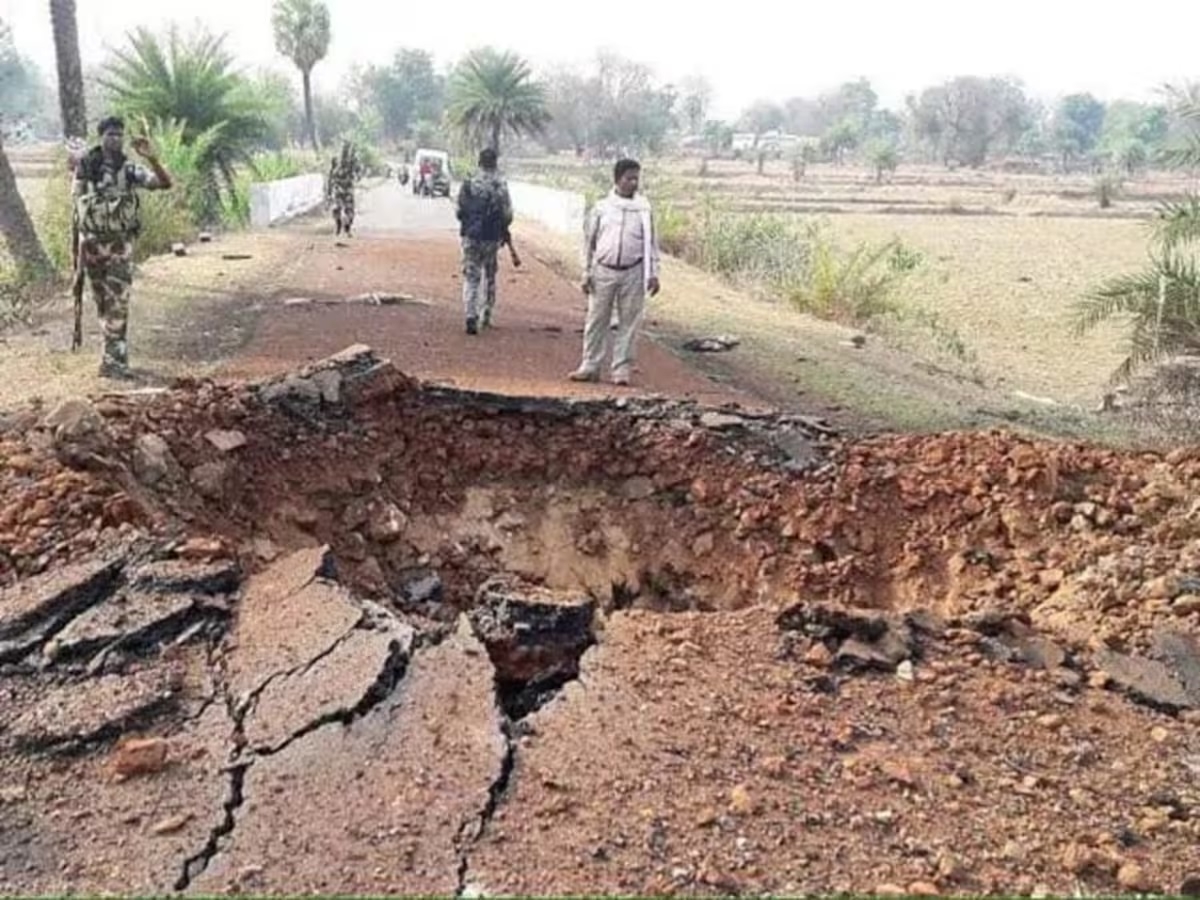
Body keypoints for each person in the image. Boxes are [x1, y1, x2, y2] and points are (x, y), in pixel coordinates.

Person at [73, 115, 173, 379]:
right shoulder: (86, 166)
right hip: (93, 245)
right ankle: (116, 356)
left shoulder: (129, 170)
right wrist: (78, 250)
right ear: (101, 137)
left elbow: (164, 183)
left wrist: (151, 158)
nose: (115, 139)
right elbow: (77, 208)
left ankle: (112, 363)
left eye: (119, 134)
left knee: (118, 302)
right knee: (104, 305)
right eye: (110, 134)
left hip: (119, 245)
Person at [569, 158, 661, 386]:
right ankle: (590, 365)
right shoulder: (602, 208)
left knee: (629, 322)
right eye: (629, 178)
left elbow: (652, 244)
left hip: (634, 271)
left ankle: (621, 369)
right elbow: (589, 242)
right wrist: (586, 271)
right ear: (617, 179)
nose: (634, 183)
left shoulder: (644, 209)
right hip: (603, 270)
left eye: (636, 178)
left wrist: (654, 273)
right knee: (596, 320)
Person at [455, 147, 513, 335]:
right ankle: (486, 314)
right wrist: (502, 230)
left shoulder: (469, 181)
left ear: (479, 161)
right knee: (489, 275)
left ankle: (470, 314)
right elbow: (508, 214)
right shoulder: (500, 184)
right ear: (495, 163)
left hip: (470, 235)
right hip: (490, 237)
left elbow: (458, 211)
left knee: (471, 277)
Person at [327, 142, 359, 236]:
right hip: (339, 189)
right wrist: (329, 192)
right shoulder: (336, 161)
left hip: (347, 189)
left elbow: (357, 170)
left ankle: (347, 228)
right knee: (337, 209)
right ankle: (339, 225)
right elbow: (331, 177)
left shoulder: (351, 161)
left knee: (349, 210)